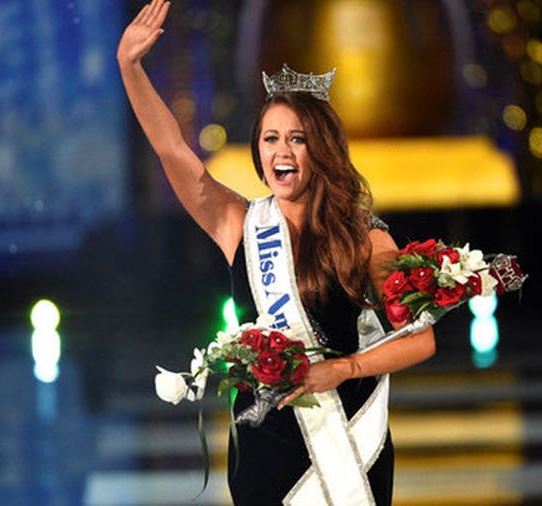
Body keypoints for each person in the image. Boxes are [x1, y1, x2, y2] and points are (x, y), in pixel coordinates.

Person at [118, 1, 436, 504]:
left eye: (297, 139)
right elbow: (171, 149)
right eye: (270, 138)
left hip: (348, 444)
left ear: (322, 150)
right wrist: (130, 67)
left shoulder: (364, 236)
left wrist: (343, 368)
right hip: (264, 447)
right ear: (257, 151)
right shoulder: (238, 224)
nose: (281, 151)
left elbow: (421, 340)